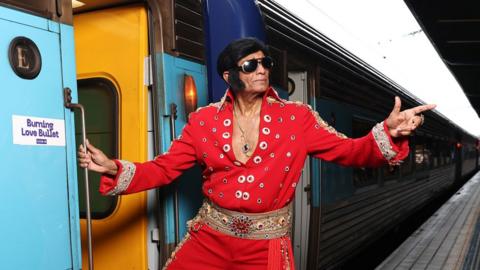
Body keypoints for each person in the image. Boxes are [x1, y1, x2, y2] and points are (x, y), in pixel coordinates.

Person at [78, 37, 435, 269]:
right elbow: (165, 169)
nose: (262, 69)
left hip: (264, 249)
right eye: (251, 65)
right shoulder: (202, 121)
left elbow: (353, 152)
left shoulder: (298, 118)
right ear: (229, 75)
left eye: (265, 63)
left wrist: (388, 132)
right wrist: (115, 166)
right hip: (210, 239)